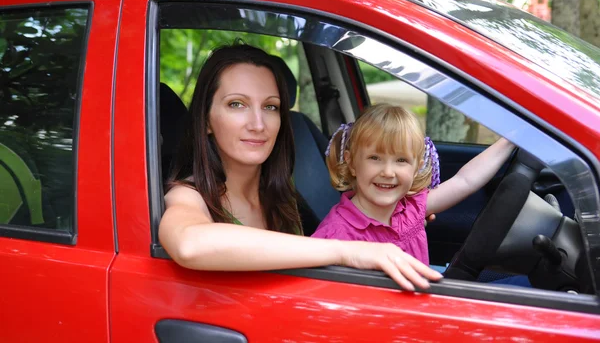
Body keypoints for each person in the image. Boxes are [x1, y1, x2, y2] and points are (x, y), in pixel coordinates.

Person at [158, 43, 442, 291]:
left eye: (270, 107)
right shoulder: (189, 195)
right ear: (206, 120)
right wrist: (347, 252)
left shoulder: (280, 189)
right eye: (237, 104)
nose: (258, 124)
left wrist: (395, 215)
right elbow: (189, 244)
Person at [312, 104, 516, 266]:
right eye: (375, 158)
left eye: (401, 160)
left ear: (416, 167)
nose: (388, 172)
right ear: (351, 162)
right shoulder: (335, 235)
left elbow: (465, 180)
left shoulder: (411, 208)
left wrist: (512, 139)